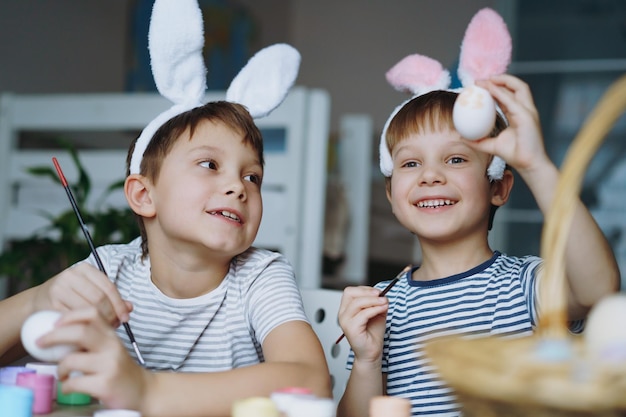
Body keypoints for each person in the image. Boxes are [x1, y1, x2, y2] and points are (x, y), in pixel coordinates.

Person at [0, 1, 331, 415]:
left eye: (253, 177)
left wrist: (148, 390)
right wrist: (36, 303)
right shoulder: (108, 270)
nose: (238, 186)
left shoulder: (260, 278)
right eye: (210, 165)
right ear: (143, 195)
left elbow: (312, 379)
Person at [336, 73, 621, 416]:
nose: (430, 176)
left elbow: (598, 290)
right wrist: (367, 360)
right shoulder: (383, 303)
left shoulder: (525, 284)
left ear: (498, 187)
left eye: (455, 159)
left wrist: (536, 166)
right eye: (411, 163)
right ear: (391, 195)